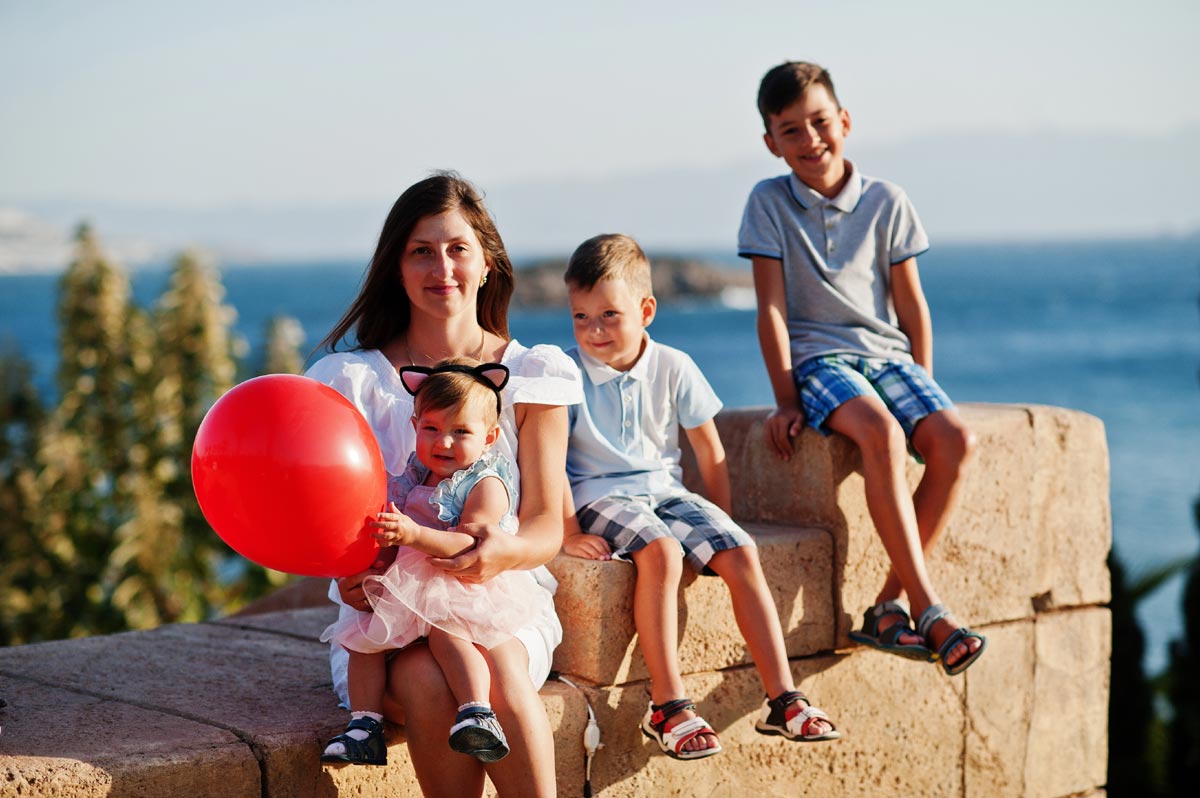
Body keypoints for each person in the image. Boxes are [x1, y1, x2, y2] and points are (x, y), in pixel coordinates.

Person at [306, 172, 580, 798]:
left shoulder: (533, 373)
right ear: (395, 268)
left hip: (497, 600)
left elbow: (543, 528)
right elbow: (320, 517)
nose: (442, 267)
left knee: (491, 663)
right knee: (428, 678)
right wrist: (345, 569)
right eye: (421, 251)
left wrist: (496, 553)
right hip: (386, 614)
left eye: (458, 248)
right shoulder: (349, 380)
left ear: (487, 262)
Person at [738, 61, 987, 676]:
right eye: (790, 130)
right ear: (771, 143)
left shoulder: (887, 200)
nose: (810, 139)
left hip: (888, 355)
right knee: (879, 433)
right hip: (821, 359)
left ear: (844, 121)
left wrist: (924, 389)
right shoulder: (768, 202)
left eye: (820, 122)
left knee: (956, 440)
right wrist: (786, 398)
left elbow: (911, 305)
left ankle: (887, 606)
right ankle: (927, 605)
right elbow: (770, 309)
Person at [559, 233, 840, 761]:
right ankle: (667, 706)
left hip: (664, 491)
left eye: (609, 316)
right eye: (580, 317)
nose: (593, 331)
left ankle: (783, 698)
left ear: (646, 311)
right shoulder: (567, 375)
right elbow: (550, 461)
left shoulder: (674, 365)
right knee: (661, 552)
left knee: (740, 550)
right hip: (600, 496)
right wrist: (570, 532)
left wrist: (722, 521)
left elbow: (708, 451)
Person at [320, 358, 556, 766]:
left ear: (490, 437)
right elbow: (386, 528)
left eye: (460, 432)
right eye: (431, 429)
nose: (443, 442)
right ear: (415, 427)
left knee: (450, 636)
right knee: (364, 640)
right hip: (409, 583)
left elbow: (469, 542)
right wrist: (371, 563)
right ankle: (365, 726)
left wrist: (412, 534)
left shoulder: (486, 483)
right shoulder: (414, 475)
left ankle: (475, 710)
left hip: (457, 584)